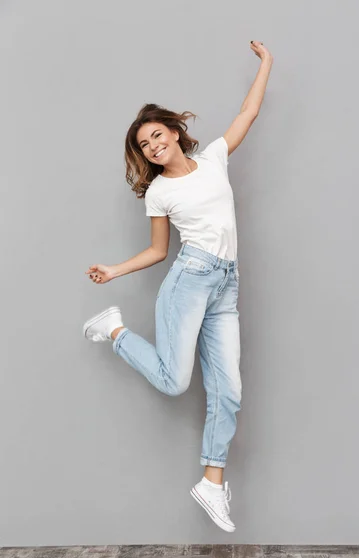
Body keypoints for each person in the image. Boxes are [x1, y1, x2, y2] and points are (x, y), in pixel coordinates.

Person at [83, 41, 273, 533]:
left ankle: (211, 482)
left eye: (156, 136)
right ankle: (115, 331)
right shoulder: (160, 192)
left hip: (226, 286)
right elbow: (157, 252)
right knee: (175, 381)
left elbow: (248, 112)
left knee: (229, 391)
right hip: (190, 280)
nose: (152, 147)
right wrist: (114, 271)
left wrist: (267, 63)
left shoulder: (213, 158)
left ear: (174, 131)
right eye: (144, 146)